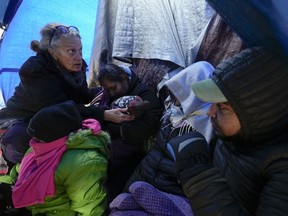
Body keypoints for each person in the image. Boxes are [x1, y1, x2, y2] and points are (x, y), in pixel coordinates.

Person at [167, 46, 288, 215]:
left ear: (256, 113)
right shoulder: (232, 136)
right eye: (212, 103)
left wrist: (197, 175)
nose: (210, 112)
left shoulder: (280, 166)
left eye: (222, 108)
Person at [0, 23, 133, 168]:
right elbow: (59, 108)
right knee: (18, 142)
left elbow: (81, 95)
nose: (79, 56)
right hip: (22, 119)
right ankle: (20, 177)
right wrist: (104, 114)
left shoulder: (77, 66)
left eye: (80, 50)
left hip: (53, 117)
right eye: (71, 51)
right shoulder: (34, 70)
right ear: (52, 52)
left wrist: (105, 90)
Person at [107, 61, 214, 215]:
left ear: (192, 92)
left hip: (168, 188)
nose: (175, 97)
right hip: (145, 173)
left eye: (180, 90)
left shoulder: (204, 125)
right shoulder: (174, 112)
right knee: (117, 205)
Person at [0, 100, 110, 216]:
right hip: (32, 207)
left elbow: (90, 210)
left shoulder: (84, 162)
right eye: (34, 137)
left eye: (38, 138)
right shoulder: (40, 147)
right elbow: (18, 174)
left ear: (54, 138)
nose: (33, 142)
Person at [97, 51, 163, 202]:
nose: (111, 94)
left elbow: (146, 128)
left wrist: (112, 128)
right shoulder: (108, 95)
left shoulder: (144, 94)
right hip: (112, 145)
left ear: (124, 79)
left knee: (115, 187)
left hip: (133, 153)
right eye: (107, 90)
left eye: (113, 88)